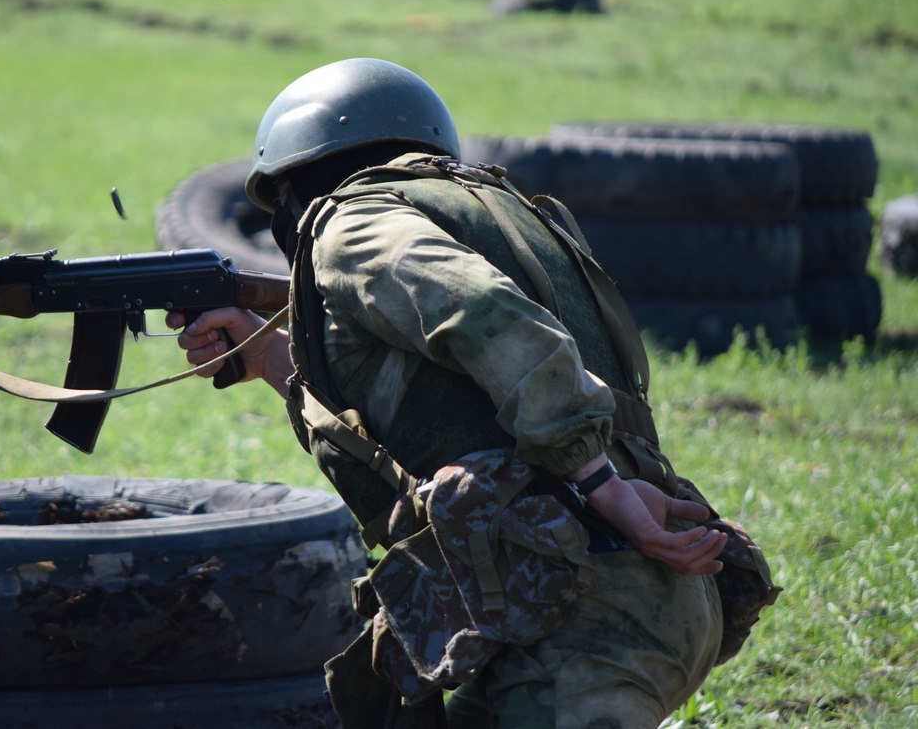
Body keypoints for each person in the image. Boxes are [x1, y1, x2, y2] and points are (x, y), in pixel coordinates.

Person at [167, 58, 775, 728]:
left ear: (297, 177)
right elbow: (433, 399)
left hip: (578, 610)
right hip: (604, 597)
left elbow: (484, 310)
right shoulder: (504, 212)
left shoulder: (351, 222)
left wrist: (600, 481)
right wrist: (266, 355)